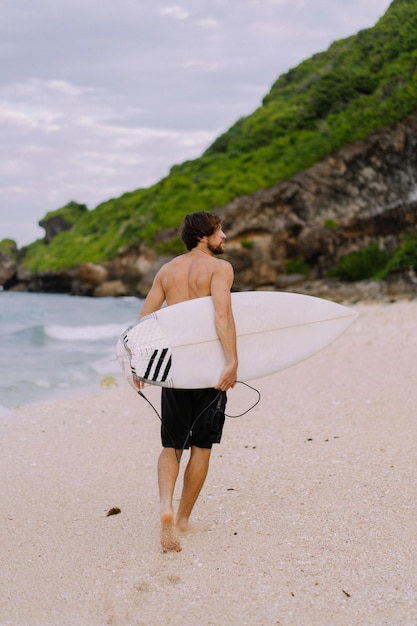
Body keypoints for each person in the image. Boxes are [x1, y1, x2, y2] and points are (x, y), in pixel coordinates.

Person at [136, 211, 238, 552]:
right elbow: (221, 314)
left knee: (171, 444)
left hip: (175, 371)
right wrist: (232, 360)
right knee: (202, 445)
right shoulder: (220, 269)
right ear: (203, 236)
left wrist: (140, 366)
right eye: (219, 230)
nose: (224, 236)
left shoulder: (167, 271)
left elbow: (145, 320)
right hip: (209, 370)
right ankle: (181, 520)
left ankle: (165, 507)